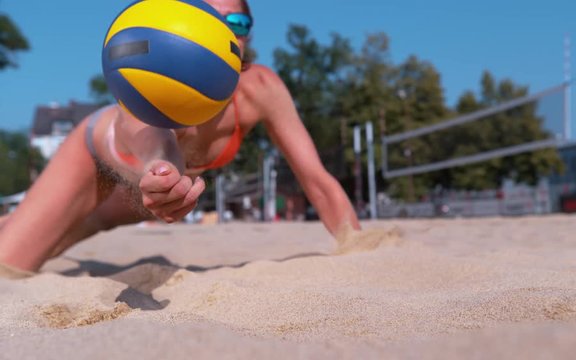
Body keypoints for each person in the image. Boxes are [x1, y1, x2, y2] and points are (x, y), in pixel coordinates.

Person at [0, 0, 360, 278]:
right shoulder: (160, 83)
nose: (224, 28)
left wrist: (358, 245)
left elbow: (316, 179)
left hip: (133, 196)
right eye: (209, 18)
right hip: (96, 155)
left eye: (236, 21)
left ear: (248, 34)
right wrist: (163, 169)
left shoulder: (263, 90)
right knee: (10, 264)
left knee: (66, 232)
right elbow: (150, 135)